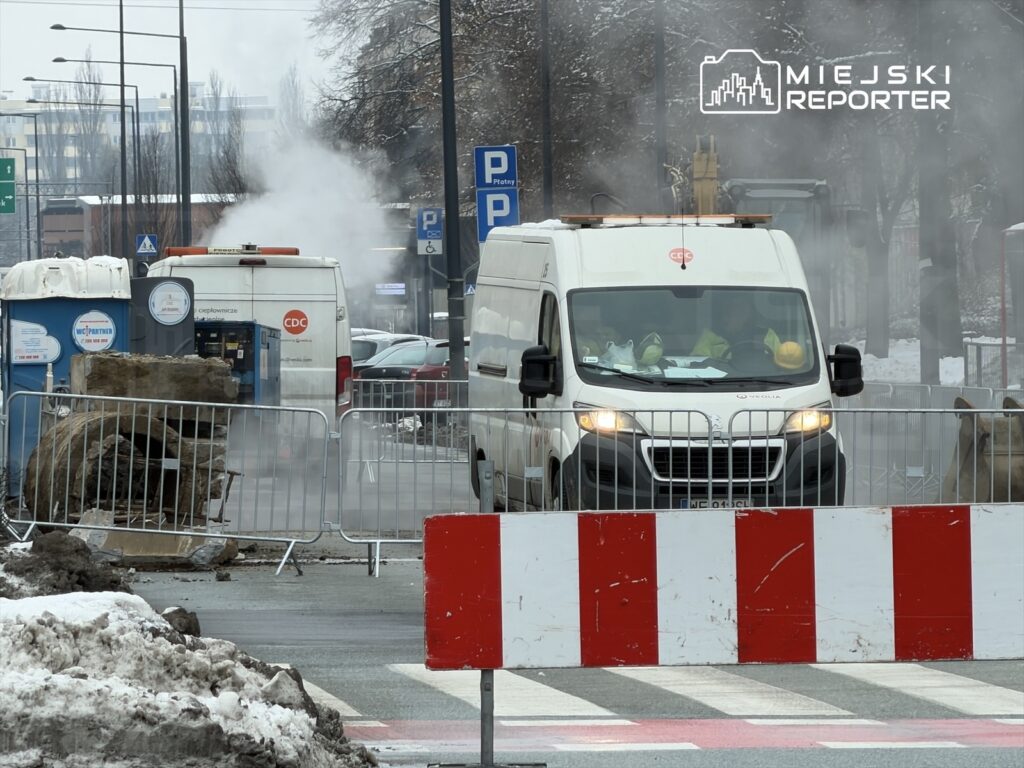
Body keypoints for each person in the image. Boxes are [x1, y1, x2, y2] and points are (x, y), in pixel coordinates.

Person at [691, 298, 781, 360]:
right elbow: (698, 364)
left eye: (741, 308)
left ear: (750, 314)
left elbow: (781, 363)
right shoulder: (711, 335)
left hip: (762, 380)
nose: (732, 312)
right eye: (729, 308)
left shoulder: (766, 334)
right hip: (721, 381)